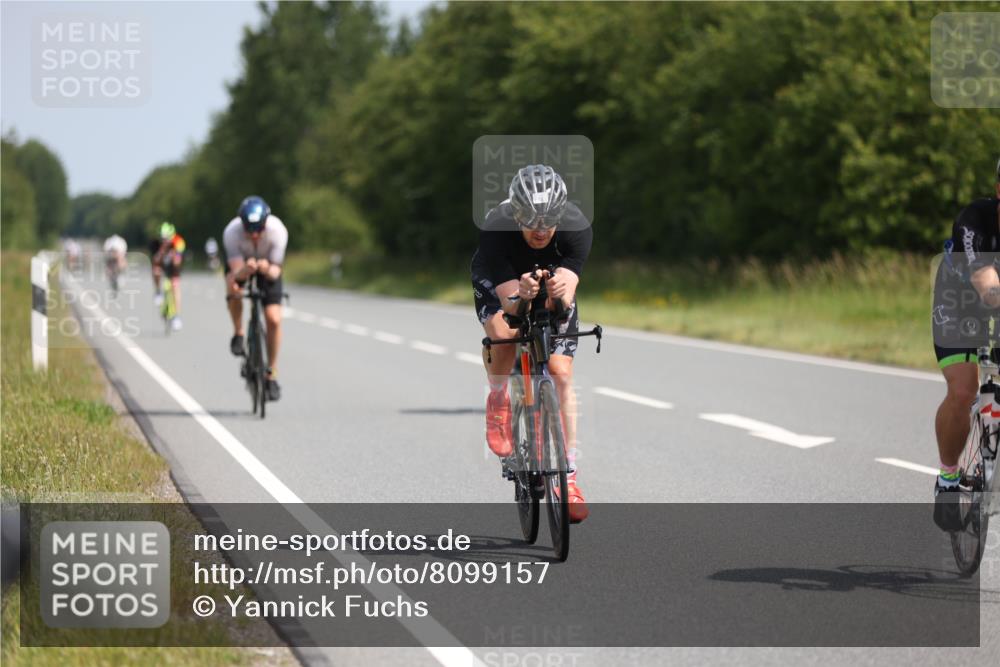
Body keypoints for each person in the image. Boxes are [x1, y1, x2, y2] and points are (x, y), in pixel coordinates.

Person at [471, 164, 593, 522]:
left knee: (559, 371)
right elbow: (510, 307)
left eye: (548, 220)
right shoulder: (497, 228)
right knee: (506, 335)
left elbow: (565, 300)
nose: (540, 230)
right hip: (504, 278)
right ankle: (498, 399)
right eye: (531, 220)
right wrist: (522, 294)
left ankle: (568, 476)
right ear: (516, 213)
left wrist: (557, 294)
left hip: (551, 279)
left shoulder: (576, 227)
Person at [931, 157, 1000, 531]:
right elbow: (987, 285)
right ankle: (947, 477)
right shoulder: (974, 221)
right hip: (959, 302)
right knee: (963, 390)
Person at [223, 196, 288, 401]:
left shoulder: (278, 231)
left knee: (274, 318)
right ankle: (239, 332)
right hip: (242, 267)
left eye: (258, 229)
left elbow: (276, 272)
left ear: (265, 223)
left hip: (268, 268)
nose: (253, 234)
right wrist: (244, 270)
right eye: (248, 229)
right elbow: (235, 273)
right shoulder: (231, 233)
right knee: (232, 288)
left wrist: (265, 268)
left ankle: (272, 374)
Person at [152, 222, 186, 330]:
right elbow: (155, 260)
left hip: (174, 267)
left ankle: (175, 316)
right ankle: (158, 291)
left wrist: (174, 255)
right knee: (155, 271)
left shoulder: (178, 241)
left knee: (175, 286)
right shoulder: (156, 243)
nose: (164, 240)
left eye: (166, 238)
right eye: (162, 238)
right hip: (162, 265)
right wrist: (161, 251)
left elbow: (178, 260)